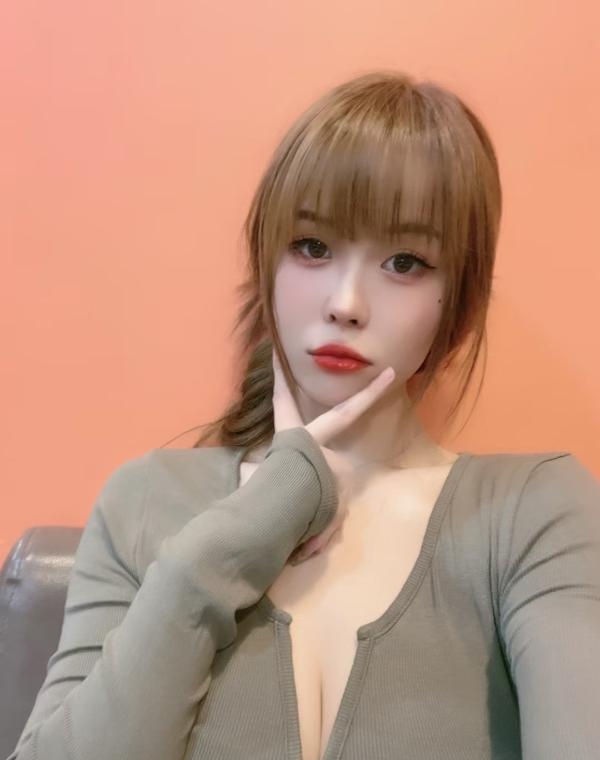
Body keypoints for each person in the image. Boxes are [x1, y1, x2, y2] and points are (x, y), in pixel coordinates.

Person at [8, 71, 600, 760]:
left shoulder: (531, 515)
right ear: (267, 261)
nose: (346, 303)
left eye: (405, 262)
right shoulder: (143, 501)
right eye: (313, 247)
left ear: (459, 302)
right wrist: (238, 536)